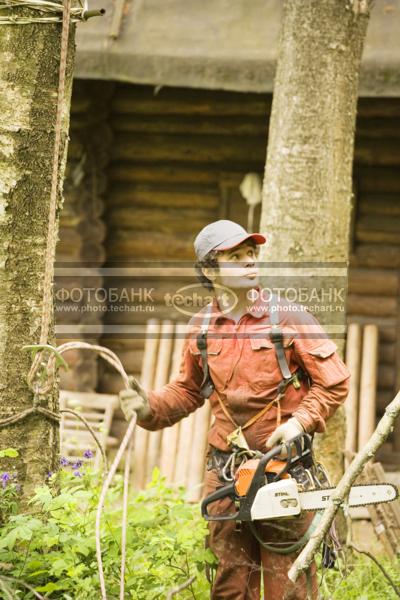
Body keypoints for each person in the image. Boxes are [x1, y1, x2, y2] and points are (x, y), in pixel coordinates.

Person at [119, 220, 350, 600]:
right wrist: (148, 407)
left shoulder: (289, 318)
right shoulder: (202, 328)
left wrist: (299, 423)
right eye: (235, 256)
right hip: (225, 473)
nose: (249, 262)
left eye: (251, 254)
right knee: (229, 584)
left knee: (288, 584)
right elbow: (187, 391)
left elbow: (334, 381)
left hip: (284, 470)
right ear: (210, 270)